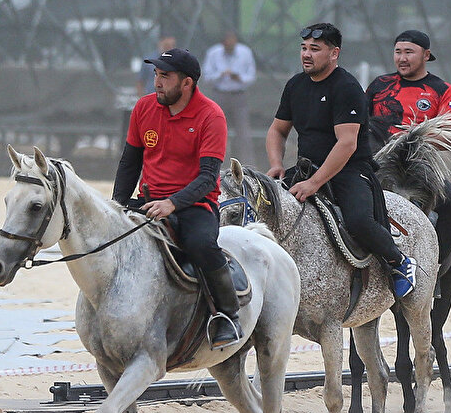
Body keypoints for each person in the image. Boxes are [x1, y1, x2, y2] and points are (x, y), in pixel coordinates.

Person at [266, 22, 417, 299]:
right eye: (303, 48)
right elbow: (277, 130)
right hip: (306, 168)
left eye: (315, 49)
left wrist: (314, 183)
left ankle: (399, 262)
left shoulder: (346, 87)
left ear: (334, 53)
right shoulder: (295, 85)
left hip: (349, 169)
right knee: (265, 208)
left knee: (358, 221)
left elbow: (346, 144)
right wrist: (276, 164)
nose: (306, 54)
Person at [112, 46, 243, 350]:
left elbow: (208, 178)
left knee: (201, 245)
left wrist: (172, 203)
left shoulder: (211, 115)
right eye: (156, 74)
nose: (157, 82)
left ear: (187, 83)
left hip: (195, 206)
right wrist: (117, 204)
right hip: (148, 201)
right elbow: (129, 163)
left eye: (165, 76)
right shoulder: (143, 107)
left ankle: (228, 315)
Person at [366, 28, 451, 263]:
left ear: (426, 55)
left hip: (419, 167)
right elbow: (358, 124)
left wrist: (413, 140)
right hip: (378, 164)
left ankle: (436, 265)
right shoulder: (379, 85)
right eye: (398, 52)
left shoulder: (441, 89)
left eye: (409, 52)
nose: (402, 58)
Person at [202, 30, 257, 164]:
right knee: (218, 129)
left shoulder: (245, 52)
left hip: (239, 95)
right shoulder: (213, 53)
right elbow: (206, 76)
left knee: (243, 131)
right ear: (223, 43)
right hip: (219, 94)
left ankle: (247, 163)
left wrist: (239, 78)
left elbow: (251, 76)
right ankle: (219, 162)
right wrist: (220, 74)